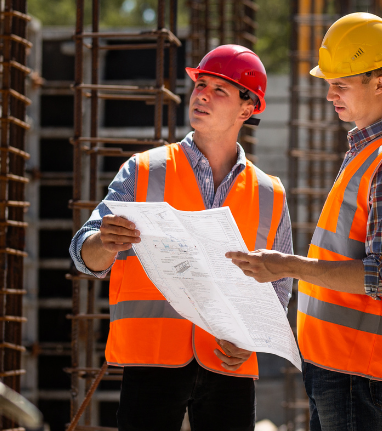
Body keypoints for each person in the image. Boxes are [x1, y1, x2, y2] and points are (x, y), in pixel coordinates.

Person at [69, 44, 293, 431]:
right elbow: (82, 253)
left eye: (219, 89)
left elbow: (279, 286)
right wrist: (104, 244)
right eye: (200, 84)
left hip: (230, 366)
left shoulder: (269, 193)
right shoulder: (144, 171)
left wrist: (253, 339)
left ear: (247, 107)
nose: (202, 94)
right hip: (151, 360)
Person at [228, 13, 382, 431]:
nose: (330, 95)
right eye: (329, 84)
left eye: (341, 84)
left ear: (379, 82)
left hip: (356, 365)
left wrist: (286, 266)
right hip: (335, 361)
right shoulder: (367, 151)